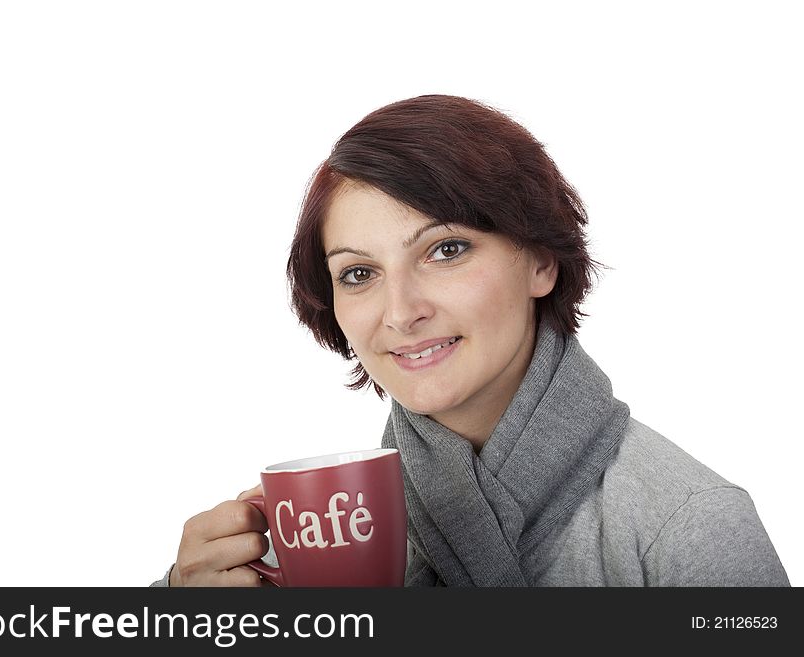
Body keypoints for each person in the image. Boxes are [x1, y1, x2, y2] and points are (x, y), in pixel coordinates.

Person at [152, 94, 790, 587]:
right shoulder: (317, 543)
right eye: (359, 273)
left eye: (446, 250)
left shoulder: (690, 526)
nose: (400, 312)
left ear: (541, 261)